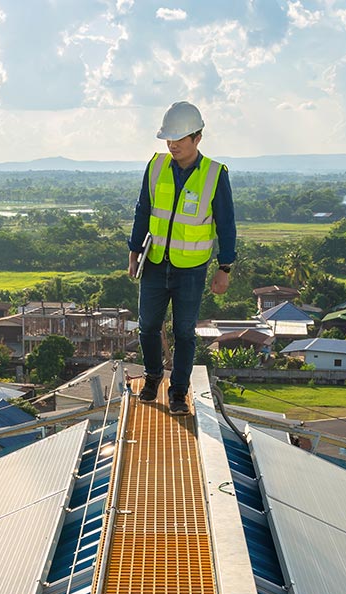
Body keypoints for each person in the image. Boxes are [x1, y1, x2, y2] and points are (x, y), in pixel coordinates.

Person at [127, 100, 236, 415]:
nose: (172, 145)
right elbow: (142, 211)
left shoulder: (215, 174)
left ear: (197, 138)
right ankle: (152, 377)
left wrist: (224, 267)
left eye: (179, 139)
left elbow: (226, 225)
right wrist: (134, 251)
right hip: (155, 262)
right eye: (168, 139)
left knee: (184, 332)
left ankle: (178, 392)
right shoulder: (157, 166)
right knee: (147, 326)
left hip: (191, 269)